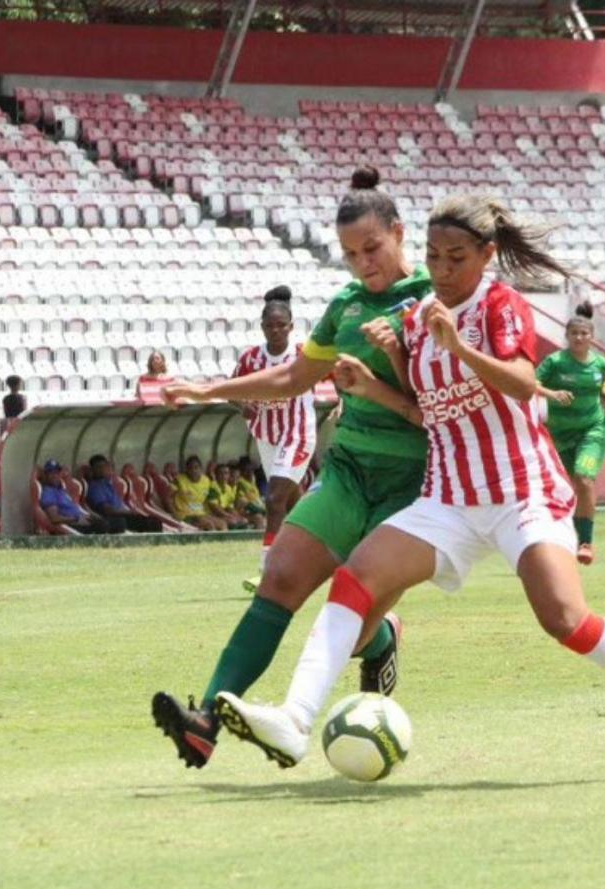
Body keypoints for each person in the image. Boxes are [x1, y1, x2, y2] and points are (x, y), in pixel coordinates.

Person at [211, 193, 605, 778]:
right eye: (433, 257)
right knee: (356, 579)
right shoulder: (418, 317)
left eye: (456, 258)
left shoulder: (499, 306)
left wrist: (458, 345)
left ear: (486, 255)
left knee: (564, 619)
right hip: (448, 497)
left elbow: (522, 382)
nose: (443, 271)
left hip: (520, 492)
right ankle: (295, 719)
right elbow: (424, 407)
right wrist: (374, 376)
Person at [150, 166, 432, 770]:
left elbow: (445, 400)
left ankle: (380, 639)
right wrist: (206, 390)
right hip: (350, 471)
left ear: (400, 234)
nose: (363, 264)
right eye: (351, 254)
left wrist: (394, 356)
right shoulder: (348, 304)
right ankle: (204, 724)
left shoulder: (436, 298)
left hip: (414, 489)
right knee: (280, 578)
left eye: (373, 249)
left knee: (349, 621)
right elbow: (295, 377)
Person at [232, 286, 317, 590]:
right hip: (266, 436)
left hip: (297, 433)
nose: (276, 330)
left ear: (291, 326)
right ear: (262, 327)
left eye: (282, 325)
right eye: (270, 325)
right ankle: (312, 560)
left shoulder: (304, 355)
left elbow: (337, 374)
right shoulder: (252, 358)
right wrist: (244, 404)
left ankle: (268, 571)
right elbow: (234, 387)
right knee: (289, 503)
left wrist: (345, 403)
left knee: (274, 498)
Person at [535, 306, 605, 565]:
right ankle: (563, 538)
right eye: (574, 333)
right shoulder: (555, 362)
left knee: (584, 478)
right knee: (564, 488)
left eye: (584, 333)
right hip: (559, 434)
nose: (579, 338)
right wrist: (552, 394)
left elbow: (600, 385)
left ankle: (586, 542)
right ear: (567, 336)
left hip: (592, 430)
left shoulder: (600, 362)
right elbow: (529, 383)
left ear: (591, 337)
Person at [85, 454, 162, 533]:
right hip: (115, 518)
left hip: (125, 515)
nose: (102, 469)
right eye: (98, 467)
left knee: (154, 520)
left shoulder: (108, 484)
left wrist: (131, 512)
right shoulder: (95, 487)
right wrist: (129, 512)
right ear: (92, 470)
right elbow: (108, 511)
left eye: (104, 466)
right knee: (150, 523)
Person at [39, 460, 110, 535]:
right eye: (51, 473)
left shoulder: (60, 490)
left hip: (80, 520)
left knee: (102, 522)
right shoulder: (48, 493)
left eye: (56, 472)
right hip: (71, 524)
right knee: (103, 525)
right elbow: (55, 519)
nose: (54, 476)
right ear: (46, 475)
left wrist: (87, 515)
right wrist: (76, 519)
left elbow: (76, 507)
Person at [170, 455, 227, 531]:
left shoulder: (206, 480)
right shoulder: (178, 480)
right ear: (186, 470)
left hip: (201, 513)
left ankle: (223, 542)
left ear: (201, 469)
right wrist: (174, 513)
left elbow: (212, 499)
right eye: (190, 468)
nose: (193, 470)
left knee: (222, 523)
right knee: (209, 525)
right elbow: (167, 498)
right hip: (185, 515)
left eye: (196, 467)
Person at [206, 463, 249, 530]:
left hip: (223, 514)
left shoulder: (228, 488)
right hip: (212, 514)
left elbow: (229, 507)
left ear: (229, 475)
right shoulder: (213, 487)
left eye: (226, 473)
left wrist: (237, 515)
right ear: (216, 475)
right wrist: (229, 516)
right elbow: (215, 508)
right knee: (233, 521)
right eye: (221, 473)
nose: (224, 476)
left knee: (244, 520)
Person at [229, 458, 266, 530]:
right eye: (247, 470)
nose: (250, 472)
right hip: (240, 511)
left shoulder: (252, 480)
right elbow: (242, 502)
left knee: (262, 517)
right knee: (259, 517)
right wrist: (262, 511)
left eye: (251, 470)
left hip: (250, 509)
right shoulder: (240, 483)